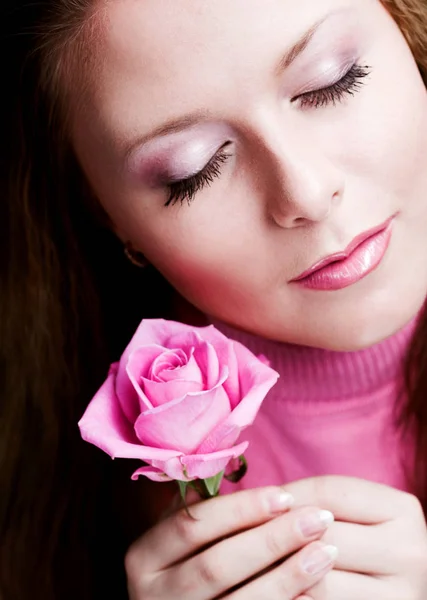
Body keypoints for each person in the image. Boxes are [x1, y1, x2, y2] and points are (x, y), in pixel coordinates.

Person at [2, 0, 427, 598]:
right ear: (106, 214)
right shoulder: (59, 481)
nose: (305, 191)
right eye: (193, 170)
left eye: (334, 79)